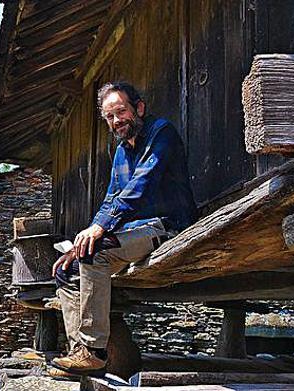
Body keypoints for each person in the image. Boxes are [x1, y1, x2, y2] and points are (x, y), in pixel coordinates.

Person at [49, 81, 198, 374]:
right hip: (134, 234)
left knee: (96, 252)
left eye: (121, 111)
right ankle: (79, 353)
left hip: (166, 228)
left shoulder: (161, 133)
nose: (117, 120)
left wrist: (99, 231)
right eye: (110, 116)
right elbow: (110, 200)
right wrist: (88, 234)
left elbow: (141, 187)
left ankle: (94, 350)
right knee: (65, 270)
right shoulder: (120, 152)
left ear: (138, 108)